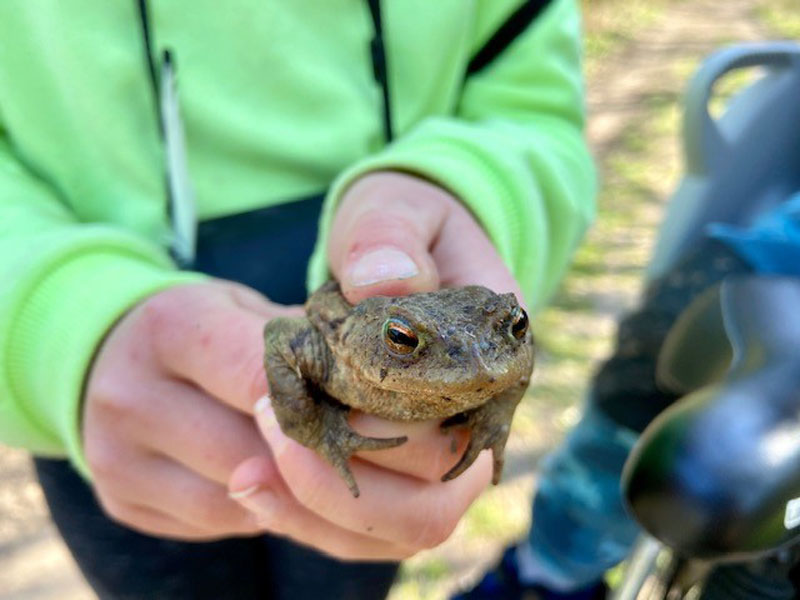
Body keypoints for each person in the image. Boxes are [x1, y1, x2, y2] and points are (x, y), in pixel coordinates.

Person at [0, 1, 595, 598]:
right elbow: (284, 339)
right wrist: (55, 319)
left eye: (510, 328)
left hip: (381, 435)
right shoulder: (340, 351)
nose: (483, 360)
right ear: (387, 340)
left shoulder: (488, 349)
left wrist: (477, 189)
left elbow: (532, 89)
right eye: (405, 342)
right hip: (114, 379)